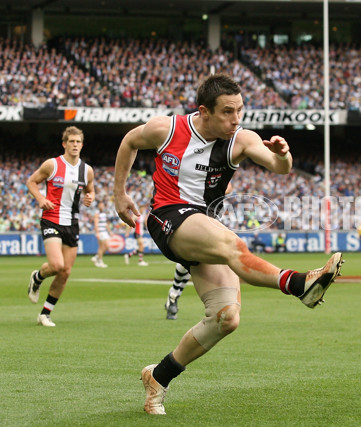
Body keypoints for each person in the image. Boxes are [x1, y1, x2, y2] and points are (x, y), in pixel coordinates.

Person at [114, 73, 344, 415]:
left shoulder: (241, 139)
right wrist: (119, 194)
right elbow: (130, 142)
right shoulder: (167, 129)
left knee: (226, 318)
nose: (236, 119)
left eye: (240, 110)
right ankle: (300, 284)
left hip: (204, 223)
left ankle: (158, 377)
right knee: (232, 244)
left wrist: (283, 155)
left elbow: (280, 169)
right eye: (227, 112)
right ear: (204, 111)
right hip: (168, 216)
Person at [26, 126, 95, 327]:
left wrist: (90, 197)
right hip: (51, 218)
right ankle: (37, 277)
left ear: (82, 145)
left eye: (78, 142)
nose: (75, 145)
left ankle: (45, 314)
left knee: (65, 272)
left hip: (72, 222)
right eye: (71, 141)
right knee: (57, 266)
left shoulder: (87, 170)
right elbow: (32, 182)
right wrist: (40, 198)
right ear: (64, 144)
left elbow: (90, 191)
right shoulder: (52, 165)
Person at [164, 182, 233, 320]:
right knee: (191, 256)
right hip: (189, 210)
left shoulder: (218, 164)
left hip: (211, 210)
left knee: (196, 259)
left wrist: (213, 190)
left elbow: (228, 186)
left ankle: (174, 294)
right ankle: (174, 295)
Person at [91, 200, 110, 268]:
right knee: (101, 247)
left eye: (102, 205)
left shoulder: (104, 214)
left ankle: (96, 257)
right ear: (98, 206)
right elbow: (96, 224)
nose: (102, 206)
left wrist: (110, 231)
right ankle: (100, 261)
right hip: (100, 232)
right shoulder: (97, 213)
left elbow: (105, 224)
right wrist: (97, 233)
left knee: (107, 246)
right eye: (100, 205)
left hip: (105, 232)